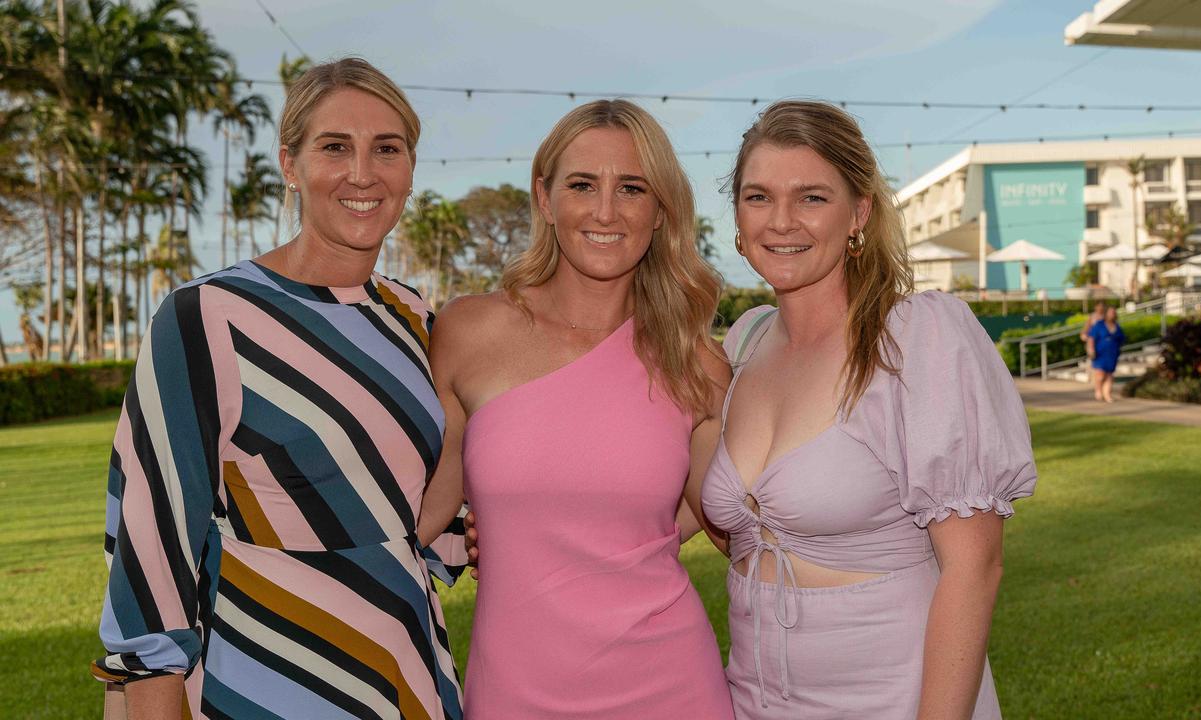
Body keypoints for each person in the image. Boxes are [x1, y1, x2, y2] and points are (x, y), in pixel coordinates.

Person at [92, 58, 467, 720]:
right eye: (334, 147)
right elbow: (150, 535)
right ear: (290, 165)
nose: (362, 173)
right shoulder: (206, 315)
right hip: (267, 672)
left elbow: (434, 499)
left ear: (409, 169)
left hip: (405, 669)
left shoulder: (418, 320)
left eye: (387, 148)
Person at [699, 100, 1038, 719]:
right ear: (738, 218)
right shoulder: (744, 342)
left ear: (859, 212)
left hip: (897, 696)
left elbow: (974, 567)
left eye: (812, 198)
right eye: (758, 197)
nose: (781, 222)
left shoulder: (916, 338)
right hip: (753, 696)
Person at [428, 99, 734, 719]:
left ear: (659, 212)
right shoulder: (469, 331)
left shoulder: (696, 364)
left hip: (669, 685)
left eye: (631, 188)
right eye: (582, 185)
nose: (605, 211)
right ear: (545, 199)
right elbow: (419, 501)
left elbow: (733, 518)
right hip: (514, 686)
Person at [1088, 306, 1126, 402]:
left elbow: (1121, 339)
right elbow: (1091, 338)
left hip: (1112, 353)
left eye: (1113, 313)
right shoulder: (1099, 325)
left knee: (1109, 375)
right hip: (1100, 353)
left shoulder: (1117, 327)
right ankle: (1098, 391)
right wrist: (1091, 350)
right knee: (1100, 375)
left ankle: (1107, 394)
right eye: (1110, 312)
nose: (1112, 315)